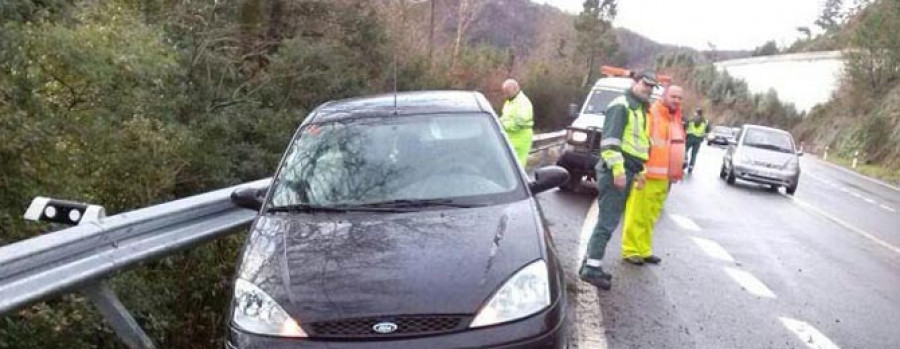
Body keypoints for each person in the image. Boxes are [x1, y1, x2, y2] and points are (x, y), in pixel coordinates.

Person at [579, 70, 658, 291]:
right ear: (635, 82)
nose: (648, 89)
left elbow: (638, 144)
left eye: (652, 87)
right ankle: (591, 270)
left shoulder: (639, 109)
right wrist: (618, 171)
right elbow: (610, 143)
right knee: (607, 221)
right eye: (645, 84)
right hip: (617, 169)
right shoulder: (621, 105)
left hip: (628, 168)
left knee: (608, 219)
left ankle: (590, 263)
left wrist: (640, 171)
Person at [621, 85, 686, 265]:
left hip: (664, 177)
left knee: (651, 216)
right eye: (673, 96)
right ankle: (631, 249)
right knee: (638, 214)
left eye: (679, 98)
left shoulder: (674, 118)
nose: (676, 100)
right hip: (647, 174)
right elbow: (641, 142)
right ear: (664, 96)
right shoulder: (652, 114)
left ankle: (644, 249)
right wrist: (639, 171)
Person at [499, 79, 534, 166]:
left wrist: (502, 125)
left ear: (516, 89)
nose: (505, 94)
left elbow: (519, 123)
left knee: (517, 165)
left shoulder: (523, 103)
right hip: (510, 137)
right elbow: (505, 117)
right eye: (504, 92)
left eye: (507, 92)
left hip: (520, 138)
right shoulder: (509, 102)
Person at [684, 108, 710, 173]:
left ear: (696, 113)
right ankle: (691, 167)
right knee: (694, 154)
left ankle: (684, 162)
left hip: (690, 138)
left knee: (684, 151)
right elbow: (708, 130)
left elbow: (685, 127)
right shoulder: (705, 122)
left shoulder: (691, 120)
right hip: (698, 140)